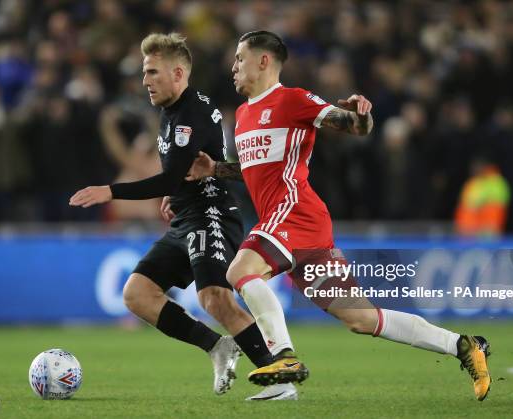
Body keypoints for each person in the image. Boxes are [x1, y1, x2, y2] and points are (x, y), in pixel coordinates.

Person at [185, 30, 492, 401]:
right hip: (295, 224)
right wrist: (216, 169)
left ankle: (284, 358)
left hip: (295, 212)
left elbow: (353, 126)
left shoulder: (293, 100)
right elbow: (254, 170)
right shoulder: (245, 115)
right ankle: (463, 345)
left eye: (239, 58)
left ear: (263, 61)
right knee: (361, 318)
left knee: (240, 271)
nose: (232, 66)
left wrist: (361, 115)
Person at [69, 33, 297, 400]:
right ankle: (216, 347)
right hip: (186, 215)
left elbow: (172, 175)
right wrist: (173, 195)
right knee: (137, 294)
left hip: (211, 214)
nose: (145, 81)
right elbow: (179, 171)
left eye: (152, 72)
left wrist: (112, 191)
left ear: (178, 73)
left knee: (215, 300)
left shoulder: (191, 112)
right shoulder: (171, 109)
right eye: (145, 73)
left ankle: (281, 377)